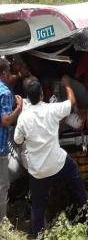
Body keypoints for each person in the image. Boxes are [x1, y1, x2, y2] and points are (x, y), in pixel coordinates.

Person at [14, 76, 87, 235]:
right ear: (41, 94)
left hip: (38, 171)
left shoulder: (23, 118)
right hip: (57, 164)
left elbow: (18, 140)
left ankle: (38, 233)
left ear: (27, 97)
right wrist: (67, 85)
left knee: (38, 204)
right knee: (74, 173)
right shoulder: (52, 109)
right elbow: (71, 103)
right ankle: (85, 209)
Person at [0, 58, 23, 221]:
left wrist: (20, 74)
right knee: (3, 185)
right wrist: (19, 108)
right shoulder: (5, 93)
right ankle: (2, 222)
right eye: (8, 71)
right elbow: (6, 120)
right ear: (3, 73)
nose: (10, 74)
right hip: (0, 147)